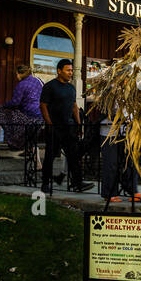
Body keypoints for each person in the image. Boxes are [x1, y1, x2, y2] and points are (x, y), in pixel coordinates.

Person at [39, 59, 92, 193]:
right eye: (68, 70)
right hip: (54, 127)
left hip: (69, 127)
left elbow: (74, 106)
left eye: (71, 71)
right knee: (50, 157)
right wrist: (49, 123)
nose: (70, 73)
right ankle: (45, 183)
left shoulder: (71, 88)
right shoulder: (50, 86)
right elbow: (43, 105)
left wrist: (79, 124)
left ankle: (77, 183)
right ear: (59, 71)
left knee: (73, 156)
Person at [0, 64, 42, 152]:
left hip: (28, 116)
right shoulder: (38, 80)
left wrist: (2, 106)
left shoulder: (21, 85)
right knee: (27, 130)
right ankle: (29, 148)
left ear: (20, 74)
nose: (16, 76)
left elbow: (15, 102)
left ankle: (15, 143)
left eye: (17, 74)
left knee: (0, 113)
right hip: (40, 116)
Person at [99, 106, 141, 204]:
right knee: (111, 162)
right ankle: (110, 193)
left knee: (131, 161)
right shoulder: (108, 91)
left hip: (129, 130)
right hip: (109, 131)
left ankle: (132, 189)